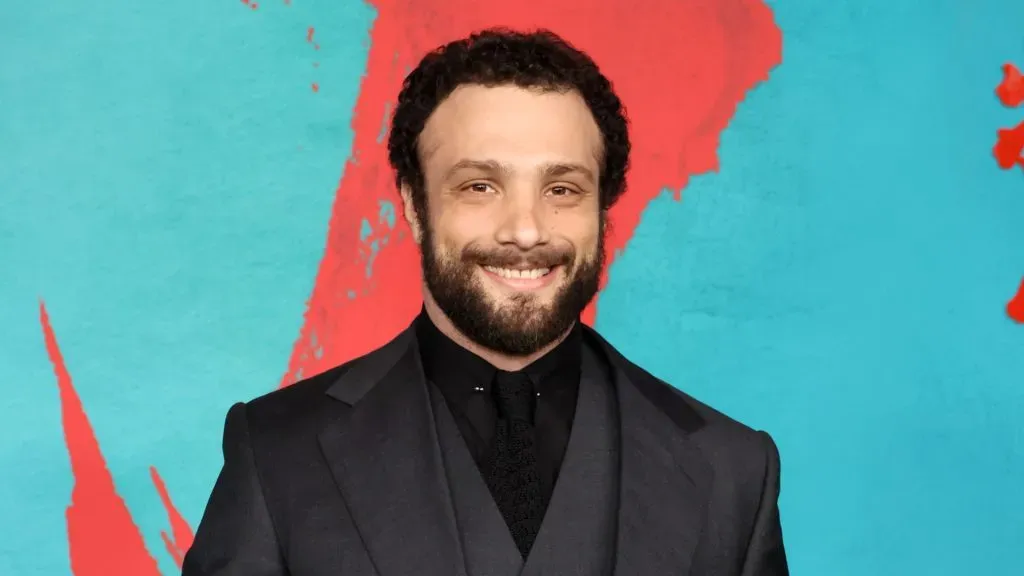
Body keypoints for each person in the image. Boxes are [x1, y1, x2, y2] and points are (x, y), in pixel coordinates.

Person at [183, 28, 788, 576]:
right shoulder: (276, 452)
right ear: (415, 207)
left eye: (562, 188)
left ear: (603, 208)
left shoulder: (734, 470)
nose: (525, 230)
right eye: (480, 186)